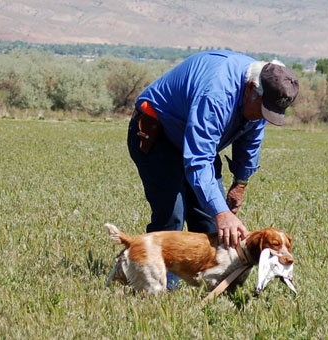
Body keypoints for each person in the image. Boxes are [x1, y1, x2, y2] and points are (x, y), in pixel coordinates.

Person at [127, 50, 298, 288]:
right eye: (262, 109)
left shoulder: (261, 94)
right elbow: (198, 160)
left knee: (211, 224)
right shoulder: (217, 94)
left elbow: (250, 141)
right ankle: (161, 289)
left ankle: (215, 286)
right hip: (159, 134)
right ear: (250, 89)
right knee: (171, 216)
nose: (262, 117)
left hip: (194, 141)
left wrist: (240, 182)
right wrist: (222, 212)